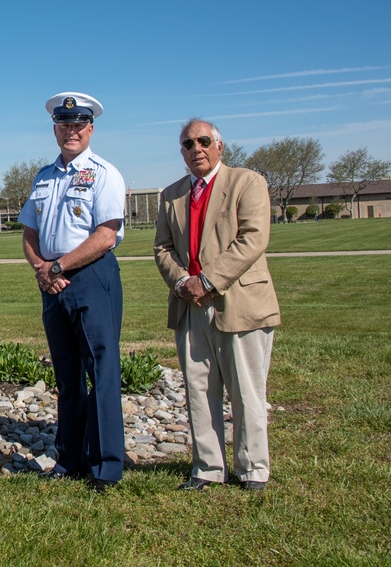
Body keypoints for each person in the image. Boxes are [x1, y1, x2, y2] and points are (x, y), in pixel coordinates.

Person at [154, 119, 280, 492]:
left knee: (245, 391)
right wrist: (182, 282)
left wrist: (207, 280)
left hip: (239, 302)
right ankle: (207, 467)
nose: (197, 149)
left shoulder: (247, 182)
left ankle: (252, 468)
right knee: (198, 389)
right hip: (189, 304)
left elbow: (253, 238)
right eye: (188, 144)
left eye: (204, 141)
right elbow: (162, 247)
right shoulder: (172, 194)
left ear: (219, 146)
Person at [18, 92, 126, 493]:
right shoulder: (43, 176)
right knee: (66, 375)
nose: (71, 131)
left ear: (91, 128)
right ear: (55, 128)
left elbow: (106, 234)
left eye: (78, 124)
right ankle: (70, 458)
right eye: (64, 124)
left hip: (91, 279)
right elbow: (29, 232)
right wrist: (41, 269)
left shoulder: (104, 174)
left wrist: (59, 266)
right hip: (51, 282)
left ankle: (105, 465)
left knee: (101, 370)